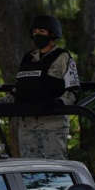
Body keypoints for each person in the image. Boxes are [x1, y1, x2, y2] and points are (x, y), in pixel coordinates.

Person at [13, 14, 80, 160]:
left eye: (42, 32)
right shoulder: (28, 58)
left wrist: (58, 104)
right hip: (27, 126)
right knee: (29, 171)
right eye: (35, 32)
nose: (37, 35)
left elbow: (73, 90)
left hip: (52, 126)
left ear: (52, 34)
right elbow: (18, 90)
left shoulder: (63, 57)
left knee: (54, 170)